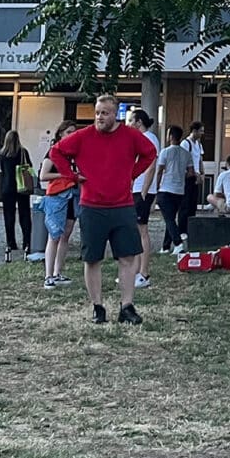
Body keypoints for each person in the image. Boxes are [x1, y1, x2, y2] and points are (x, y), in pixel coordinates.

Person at [53, 95, 159, 325]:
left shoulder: (130, 136)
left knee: (128, 257)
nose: (100, 117)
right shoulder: (83, 136)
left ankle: (127, 306)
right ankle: (97, 307)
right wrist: (71, 176)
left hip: (122, 205)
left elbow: (150, 153)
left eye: (105, 113)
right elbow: (56, 152)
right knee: (92, 258)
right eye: (97, 113)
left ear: (115, 115)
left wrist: (132, 173)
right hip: (92, 206)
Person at [38, 125, 78, 288]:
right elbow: (43, 175)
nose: (72, 135)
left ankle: (58, 272)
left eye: (74, 132)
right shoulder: (54, 152)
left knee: (65, 235)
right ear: (61, 133)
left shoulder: (74, 154)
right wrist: (64, 175)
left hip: (72, 195)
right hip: (57, 196)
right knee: (54, 235)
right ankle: (48, 275)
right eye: (69, 132)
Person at [128, 109, 158, 288]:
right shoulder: (140, 138)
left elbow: (152, 166)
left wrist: (145, 191)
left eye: (131, 120)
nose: (129, 124)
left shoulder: (149, 138)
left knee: (142, 230)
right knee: (136, 231)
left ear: (139, 122)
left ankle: (144, 273)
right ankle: (137, 271)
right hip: (136, 188)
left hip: (142, 191)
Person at [154, 125, 192, 253]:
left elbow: (159, 171)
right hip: (179, 190)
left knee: (168, 219)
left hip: (166, 189)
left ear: (170, 136)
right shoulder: (186, 154)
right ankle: (165, 247)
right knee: (170, 218)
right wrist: (181, 175)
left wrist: (156, 186)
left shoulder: (165, 152)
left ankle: (177, 242)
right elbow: (191, 172)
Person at [0, 128, 34, 260]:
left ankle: (10, 242)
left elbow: (3, 170)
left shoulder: (2, 153)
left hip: (7, 188)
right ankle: (27, 242)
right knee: (24, 215)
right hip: (22, 187)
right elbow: (29, 166)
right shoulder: (23, 152)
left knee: (9, 215)